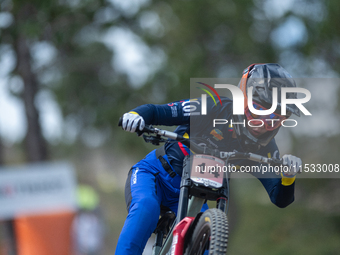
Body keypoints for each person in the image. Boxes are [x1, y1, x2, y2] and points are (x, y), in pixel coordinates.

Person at [115, 63, 302, 255]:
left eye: (273, 117)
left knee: (207, 241)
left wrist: (288, 176)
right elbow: (158, 111)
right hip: (155, 176)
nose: (261, 123)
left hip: (193, 197)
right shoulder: (212, 107)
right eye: (257, 108)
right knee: (146, 208)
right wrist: (136, 115)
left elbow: (280, 198)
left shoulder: (264, 148)